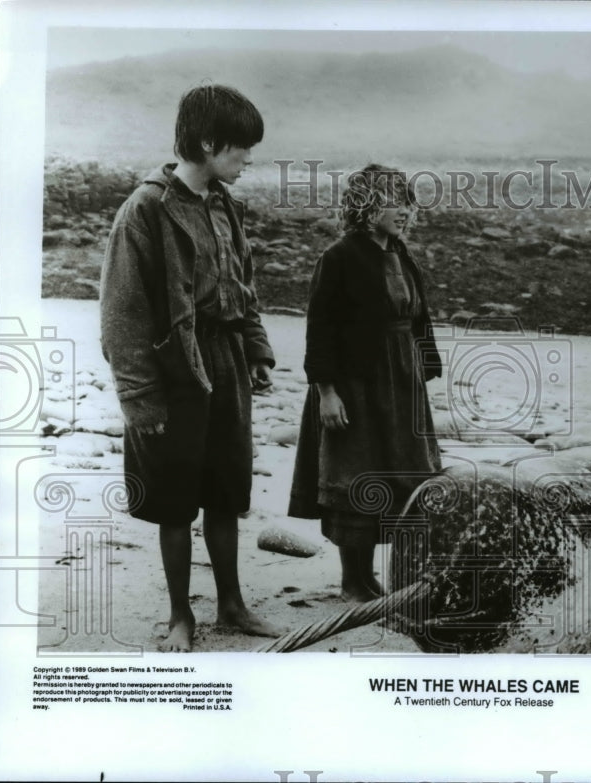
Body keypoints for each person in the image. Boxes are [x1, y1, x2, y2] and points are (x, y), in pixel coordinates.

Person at [100, 84, 283, 651]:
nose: (248, 160)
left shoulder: (227, 207)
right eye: (240, 149)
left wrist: (256, 351)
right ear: (208, 143)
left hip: (224, 362)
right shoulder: (145, 210)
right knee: (176, 497)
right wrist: (140, 400)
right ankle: (182, 615)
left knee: (226, 489)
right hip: (173, 368)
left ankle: (231, 604)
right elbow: (122, 313)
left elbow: (242, 288)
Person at [289, 165, 442, 602]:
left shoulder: (400, 252)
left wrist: (424, 368)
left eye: (410, 204)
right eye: (397, 203)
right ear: (367, 206)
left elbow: (417, 317)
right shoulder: (339, 256)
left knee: (402, 473)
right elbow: (320, 328)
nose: (407, 212)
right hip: (355, 384)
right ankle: (353, 580)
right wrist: (327, 392)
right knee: (356, 474)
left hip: (400, 382)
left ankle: (374, 577)